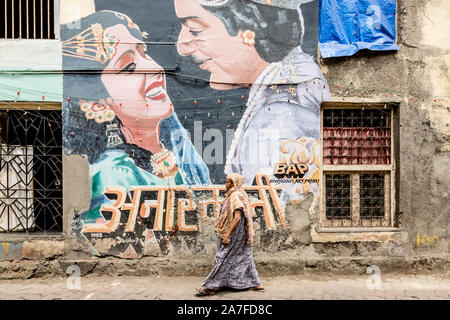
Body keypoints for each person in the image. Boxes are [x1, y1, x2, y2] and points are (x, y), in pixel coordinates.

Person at [61, 10, 211, 226]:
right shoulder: (114, 173)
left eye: (146, 53)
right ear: (98, 103)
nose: (155, 69)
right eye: (129, 67)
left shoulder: (180, 150)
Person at [174, 0, 330, 202]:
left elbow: (274, 217)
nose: (181, 47)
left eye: (195, 30)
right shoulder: (289, 95)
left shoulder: (281, 119)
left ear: (252, 29)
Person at [195, 173, 263, 296]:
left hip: (234, 232)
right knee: (244, 256)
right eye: (226, 181)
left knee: (222, 258)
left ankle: (210, 286)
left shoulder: (235, 196)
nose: (225, 184)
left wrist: (227, 235)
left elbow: (237, 217)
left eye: (228, 182)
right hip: (242, 232)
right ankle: (255, 283)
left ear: (234, 183)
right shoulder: (241, 193)